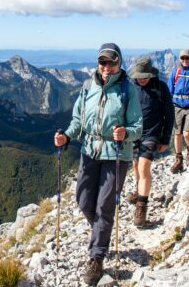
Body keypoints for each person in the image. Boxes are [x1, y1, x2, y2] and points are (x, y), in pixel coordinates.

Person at [54, 42, 143, 285]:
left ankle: (96, 258)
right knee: (83, 200)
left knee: (104, 207)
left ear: (119, 63)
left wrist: (125, 133)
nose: (106, 66)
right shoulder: (88, 86)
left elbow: (138, 126)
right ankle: (102, 232)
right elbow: (77, 120)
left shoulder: (127, 90)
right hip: (90, 151)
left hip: (116, 154)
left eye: (111, 62)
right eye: (102, 62)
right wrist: (67, 136)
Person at [126, 57, 174, 227]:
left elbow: (169, 115)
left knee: (143, 166)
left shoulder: (160, 88)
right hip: (133, 134)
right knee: (134, 165)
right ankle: (138, 190)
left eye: (145, 76)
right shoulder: (131, 88)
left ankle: (141, 207)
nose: (142, 79)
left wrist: (165, 138)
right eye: (139, 76)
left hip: (151, 134)